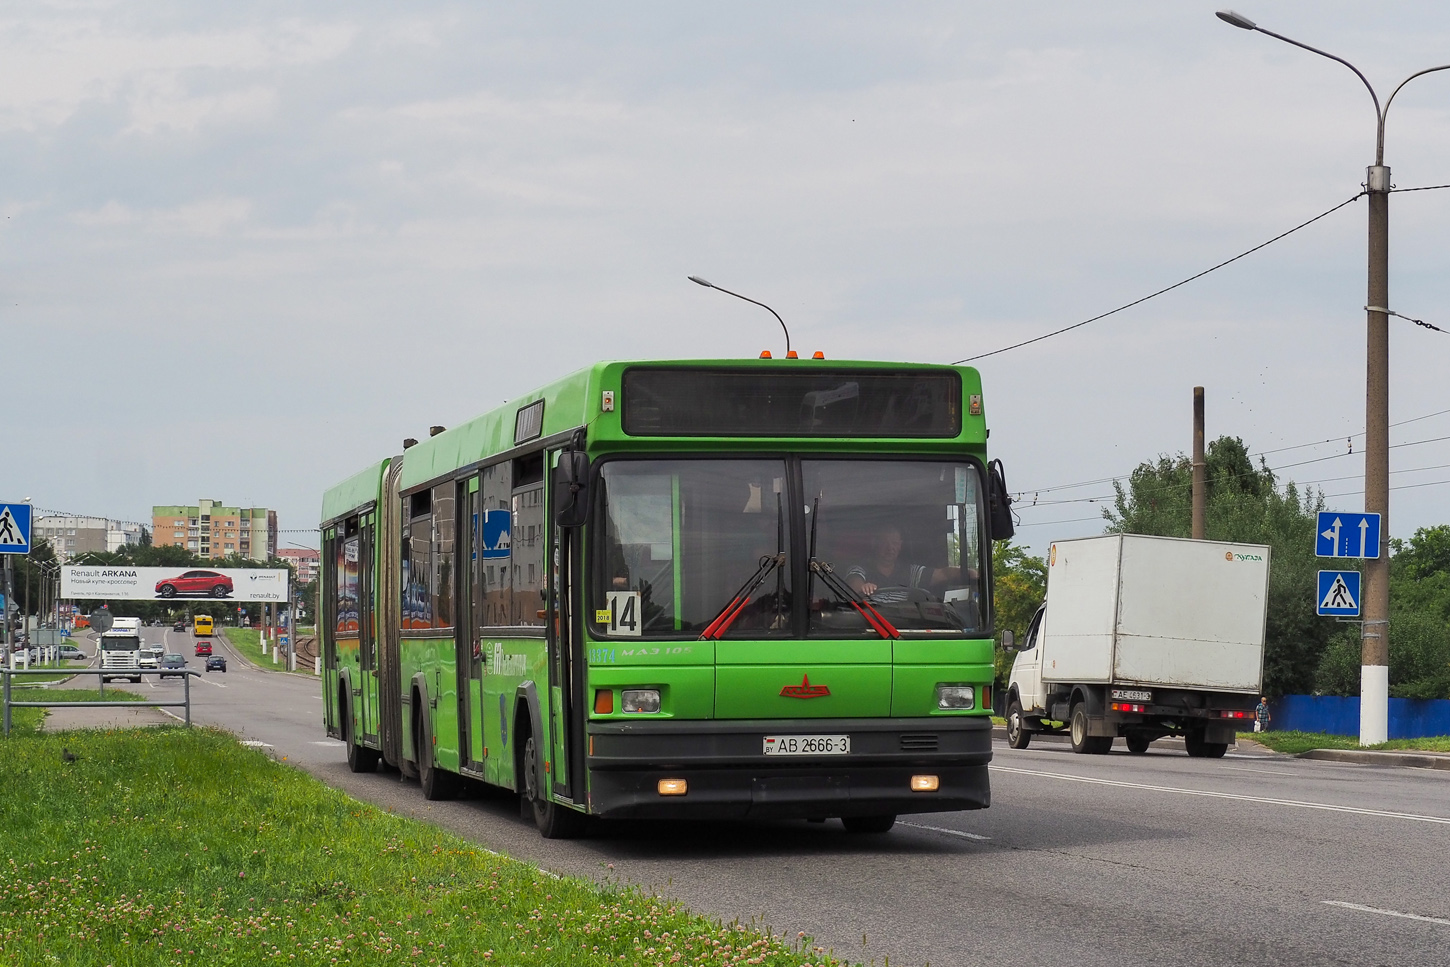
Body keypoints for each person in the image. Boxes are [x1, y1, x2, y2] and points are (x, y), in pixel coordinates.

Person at [846, 525, 978, 600]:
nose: (890, 548)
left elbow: (943, 573)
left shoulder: (910, 572)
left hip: (905, 629)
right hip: (870, 628)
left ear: (900, 546)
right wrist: (863, 588)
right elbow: (854, 585)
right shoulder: (861, 569)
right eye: (884, 542)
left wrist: (970, 573)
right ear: (875, 544)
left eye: (894, 543)